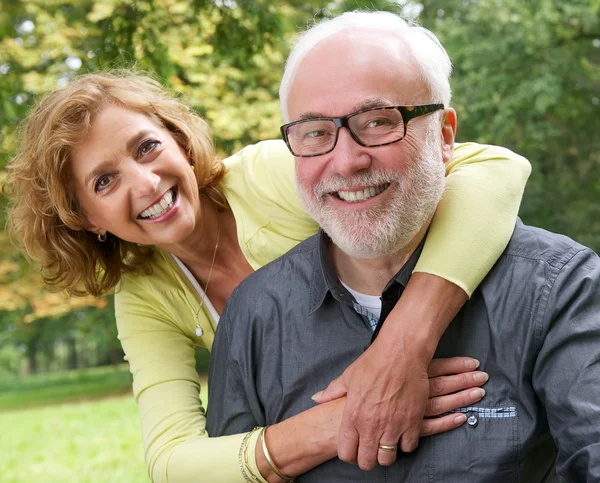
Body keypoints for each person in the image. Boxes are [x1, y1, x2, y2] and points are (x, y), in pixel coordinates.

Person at [5, 65, 530, 482]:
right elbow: (170, 461)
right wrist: (339, 423)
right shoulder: (144, 296)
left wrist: (401, 348)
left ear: (181, 143)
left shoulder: (269, 175)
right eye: (103, 181)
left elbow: (496, 168)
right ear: (82, 218)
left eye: (147, 147)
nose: (144, 184)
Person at [207, 10, 600, 483]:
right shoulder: (254, 314)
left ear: (445, 137)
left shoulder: (560, 289)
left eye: (377, 122)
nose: (347, 161)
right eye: (315, 132)